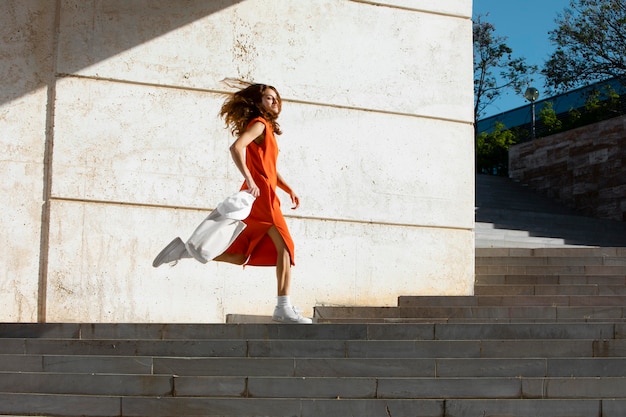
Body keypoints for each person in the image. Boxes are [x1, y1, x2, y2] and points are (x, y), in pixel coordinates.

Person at [153, 83, 312, 324]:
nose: (274, 102)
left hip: (266, 196)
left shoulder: (265, 128)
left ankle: (185, 251)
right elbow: (236, 147)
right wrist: (249, 179)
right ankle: (283, 307)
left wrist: (288, 188)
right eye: (269, 98)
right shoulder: (259, 123)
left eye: (276, 98)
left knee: (241, 254)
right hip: (262, 199)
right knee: (285, 248)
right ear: (258, 104)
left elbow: (269, 169)